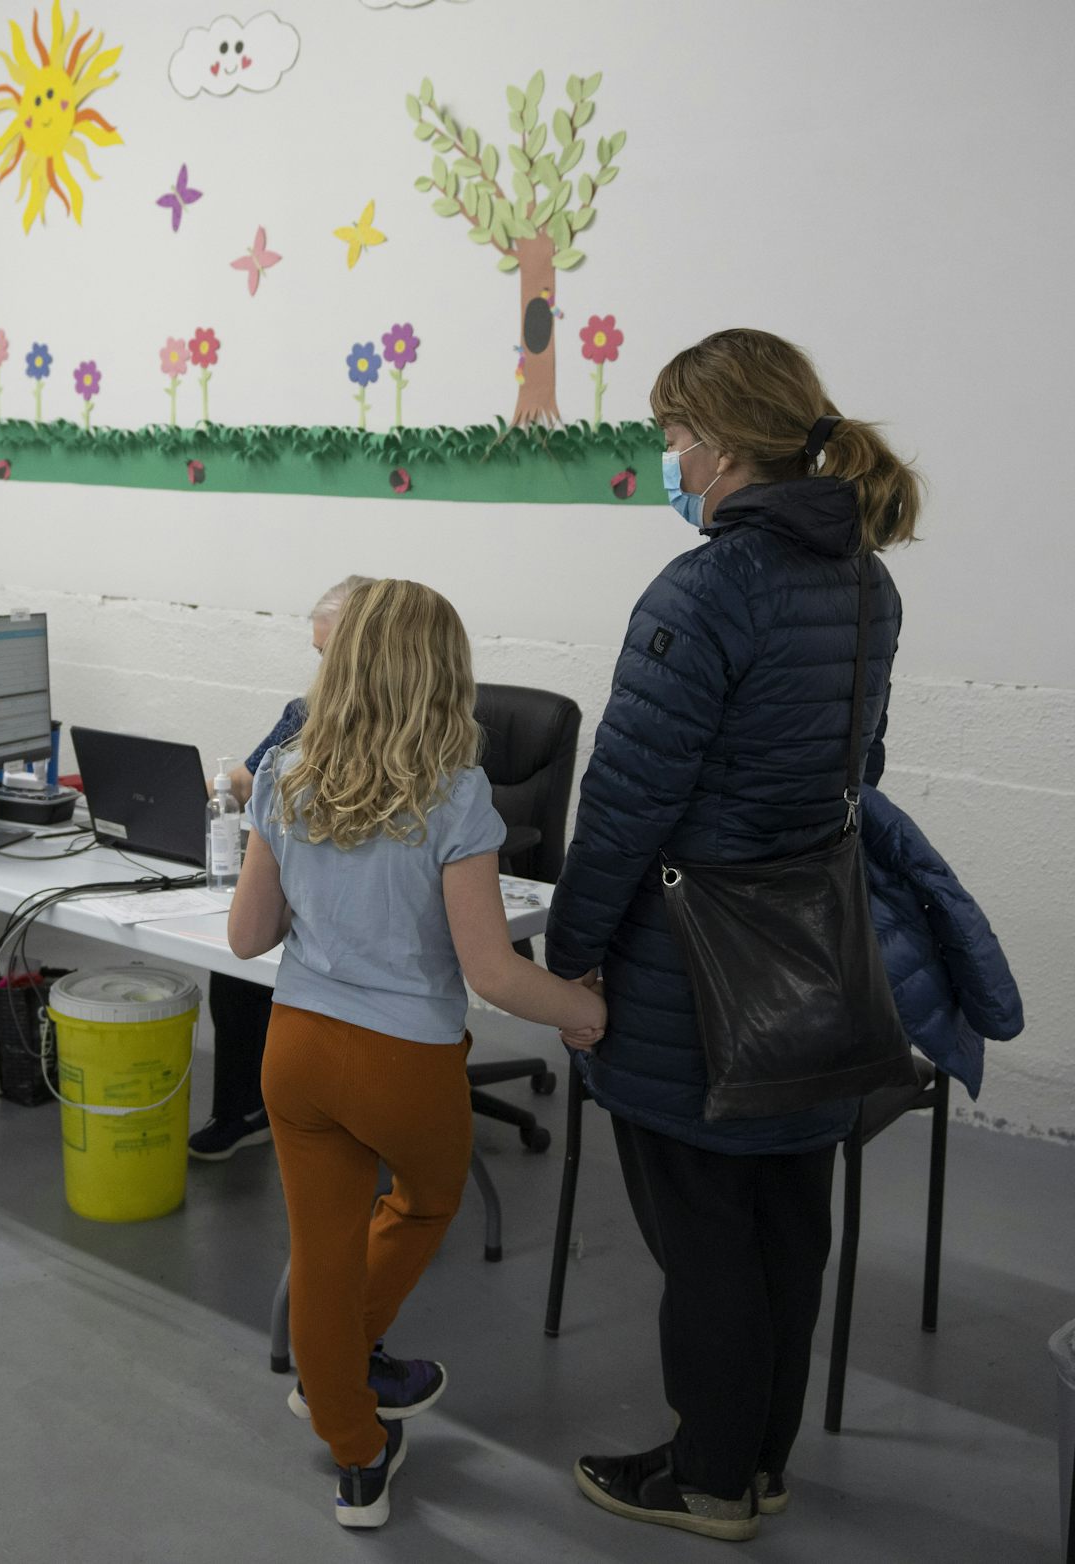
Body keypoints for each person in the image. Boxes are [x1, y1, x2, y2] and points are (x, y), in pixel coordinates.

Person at [544, 328, 920, 1542]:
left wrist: (572, 947)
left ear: (721, 444)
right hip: (812, 950)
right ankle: (758, 1462)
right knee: (784, 1231)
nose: (665, 455)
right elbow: (857, 765)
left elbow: (627, 800)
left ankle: (706, 1482)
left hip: (690, 966)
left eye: (669, 433)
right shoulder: (869, 581)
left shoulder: (704, 590)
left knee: (704, 1240)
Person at [229, 579, 606, 1530]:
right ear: (444, 676)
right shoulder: (454, 793)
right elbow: (494, 972)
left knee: (318, 1253)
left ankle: (356, 1451)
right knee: (424, 1199)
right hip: (402, 1061)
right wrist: (582, 1012)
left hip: (298, 1052)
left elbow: (246, 937)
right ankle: (341, 1375)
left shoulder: (283, 773)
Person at [191, 574, 374, 1161]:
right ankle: (246, 1107)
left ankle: (354, 1114)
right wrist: (200, 791)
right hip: (309, 889)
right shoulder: (306, 714)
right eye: (318, 655)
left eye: (333, 656)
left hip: (370, 910)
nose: (323, 673)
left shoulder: (419, 730)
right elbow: (244, 781)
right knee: (236, 956)